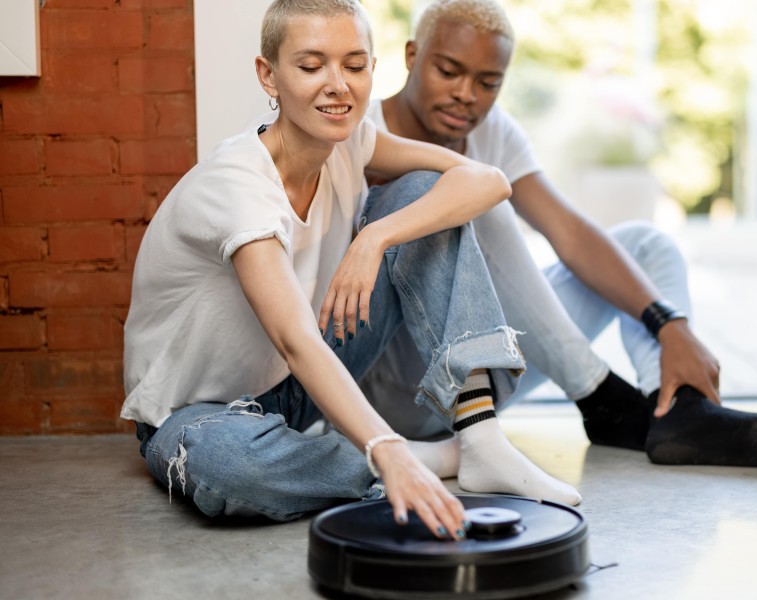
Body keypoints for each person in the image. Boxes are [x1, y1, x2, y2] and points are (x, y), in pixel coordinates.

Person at [121, 0, 581, 539]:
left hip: (295, 387)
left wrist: (375, 235)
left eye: (355, 65)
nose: (337, 85)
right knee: (230, 468)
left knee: (423, 196)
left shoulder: (352, 142)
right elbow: (296, 339)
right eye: (312, 66)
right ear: (268, 75)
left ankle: (480, 438)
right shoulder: (237, 186)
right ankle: (419, 459)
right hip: (200, 416)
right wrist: (384, 448)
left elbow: (486, 181)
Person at [358, 0, 757, 468]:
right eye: (448, 71)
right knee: (476, 191)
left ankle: (677, 413)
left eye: (487, 82)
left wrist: (669, 322)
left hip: (479, 375)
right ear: (412, 56)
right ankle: (601, 396)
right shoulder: (362, 132)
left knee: (646, 244)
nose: (466, 95)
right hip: (397, 393)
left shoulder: (492, 130)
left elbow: (569, 233)